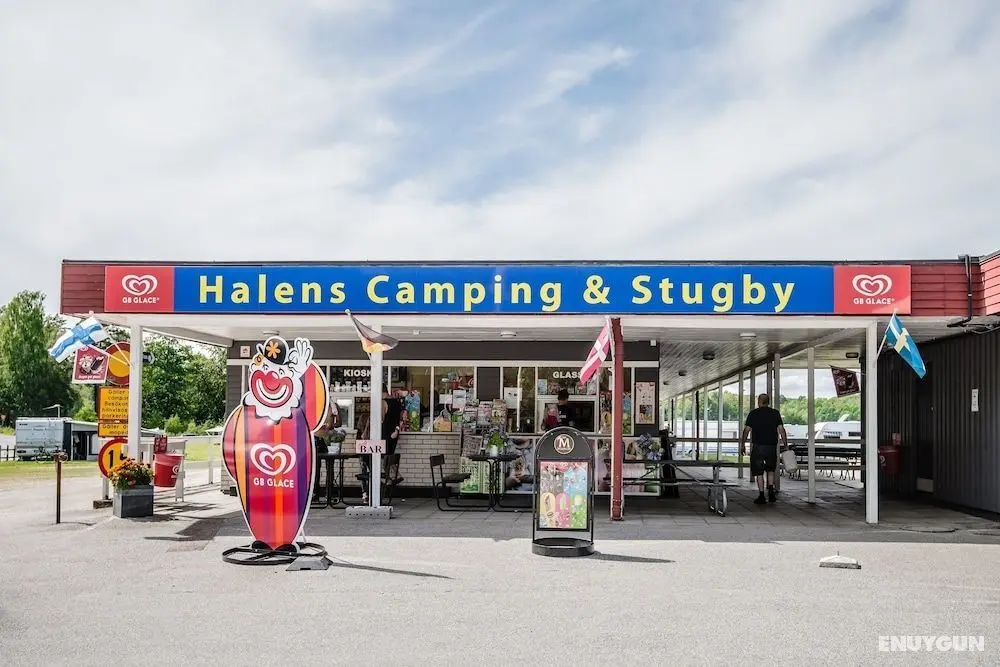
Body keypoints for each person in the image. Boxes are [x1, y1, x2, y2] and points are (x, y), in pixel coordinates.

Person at [740, 393, 788, 505]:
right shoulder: (775, 413)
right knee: (770, 470)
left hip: (758, 447)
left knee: (759, 472)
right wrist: (785, 444)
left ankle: (761, 495)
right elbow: (781, 430)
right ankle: (771, 492)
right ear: (768, 401)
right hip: (771, 446)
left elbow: (746, 430)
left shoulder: (753, 414)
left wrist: (743, 444)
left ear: (759, 401)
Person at [360, 386, 403, 504]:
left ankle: (375, 484)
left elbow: (379, 419)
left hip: (383, 436)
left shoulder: (382, 402)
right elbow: (400, 419)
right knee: (387, 458)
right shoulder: (397, 403)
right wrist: (397, 429)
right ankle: (390, 476)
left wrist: (367, 430)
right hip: (392, 437)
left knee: (366, 458)